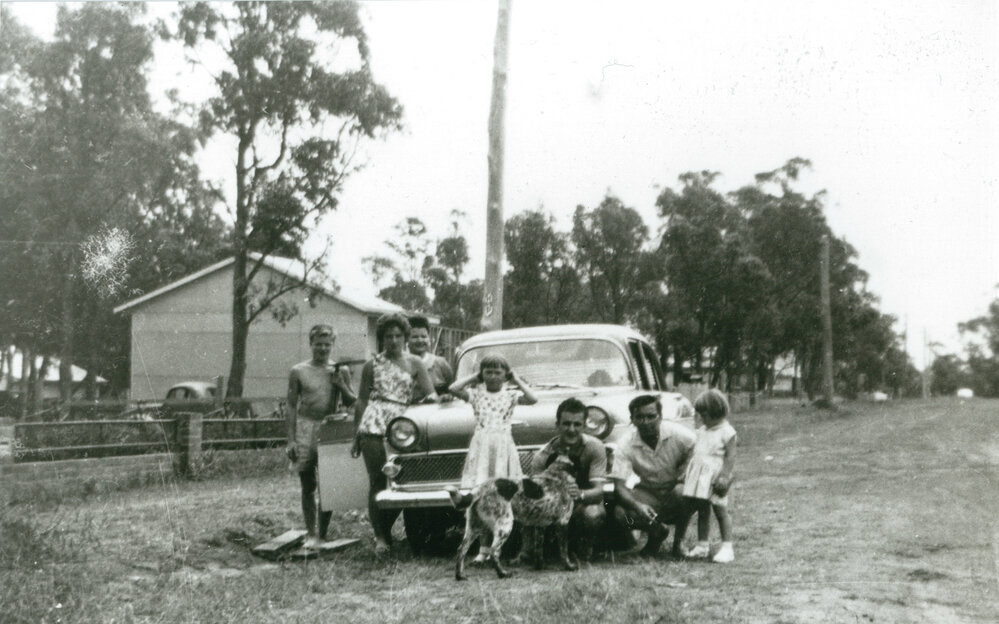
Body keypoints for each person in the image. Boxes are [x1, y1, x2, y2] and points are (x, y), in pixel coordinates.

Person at [351, 313, 438, 556]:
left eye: (398, 336)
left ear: (405, 337)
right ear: (381, 339)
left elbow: (432, 395)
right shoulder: (372, 364)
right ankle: (381, 537)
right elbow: (361, 401)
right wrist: (356, 434)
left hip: (403, 425)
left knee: (404, 479)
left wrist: (439, 400)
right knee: (378, 481)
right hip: (374, 422)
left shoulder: (415, 363)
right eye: (388, 336)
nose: (393, 340)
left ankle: (397, 530)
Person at [286, 324, 356, 548]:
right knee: (308, 484)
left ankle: (322, 533)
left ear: (333, 345)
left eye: (327, 345)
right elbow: (290, 405)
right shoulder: (298, 371)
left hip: (330, 426)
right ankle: (310, 532)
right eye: (318, 344)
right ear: (310, 344)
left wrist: (341, 385)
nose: (322, 349)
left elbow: (351, 401)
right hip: (305, 428)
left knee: (329, 483)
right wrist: (291, 439)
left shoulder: (340, 370)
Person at [610, 394, 696, 557]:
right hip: (649, 494)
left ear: (661, 416)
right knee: (621, 514)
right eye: (640, 417)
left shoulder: (678, 434)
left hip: (677, 491)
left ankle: (679, 542)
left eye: (651, 416)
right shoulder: (625, 444)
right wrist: (637, 506)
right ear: (632, 419)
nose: (646, 422)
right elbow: (620, 487)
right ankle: (657, 532)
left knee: (682, 491)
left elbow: (699, 449)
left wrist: (685, 470)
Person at [528, 397, 608, 561]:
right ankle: (541, 550)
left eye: (577, 424)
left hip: (581, 505)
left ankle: (584, 551)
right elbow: (534, 498)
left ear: (585, 426)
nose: (572, 429)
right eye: (566, 424)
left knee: (593, 513)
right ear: (557, 425)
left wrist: (580, 494)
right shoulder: (542, 456)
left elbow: (599, 491)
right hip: (552, 510)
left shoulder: (595, 447)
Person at [450, 353, 538, 489]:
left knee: (503, 477)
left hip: (503, 443)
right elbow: (453, 388)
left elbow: (533, 399)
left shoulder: (510, 396)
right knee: (481, 478)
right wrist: (475, 377)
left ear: (505, 375)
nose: (492, 377)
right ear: (482, 374)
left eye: (497, 373)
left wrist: (517, 379)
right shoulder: (476, 395)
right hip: (482, 444)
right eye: (488, 372)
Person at [681, 389, 737, 563]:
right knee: (702, 509)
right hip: (700, 476)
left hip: (716, 476)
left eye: (704, 414)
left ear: (716, 412)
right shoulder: (702, 430)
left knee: (721, 511)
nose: (701, 418)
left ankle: (727, 547)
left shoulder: (727, 432)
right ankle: (702, 545)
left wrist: (724, 477)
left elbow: (730, 456)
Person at [407, 314, 455, 402]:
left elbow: (453, 390)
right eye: (415, 337)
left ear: (429, 338)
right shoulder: (402, 364)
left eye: (424, 336)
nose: (420, 340)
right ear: (407, 339)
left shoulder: (441, 363)